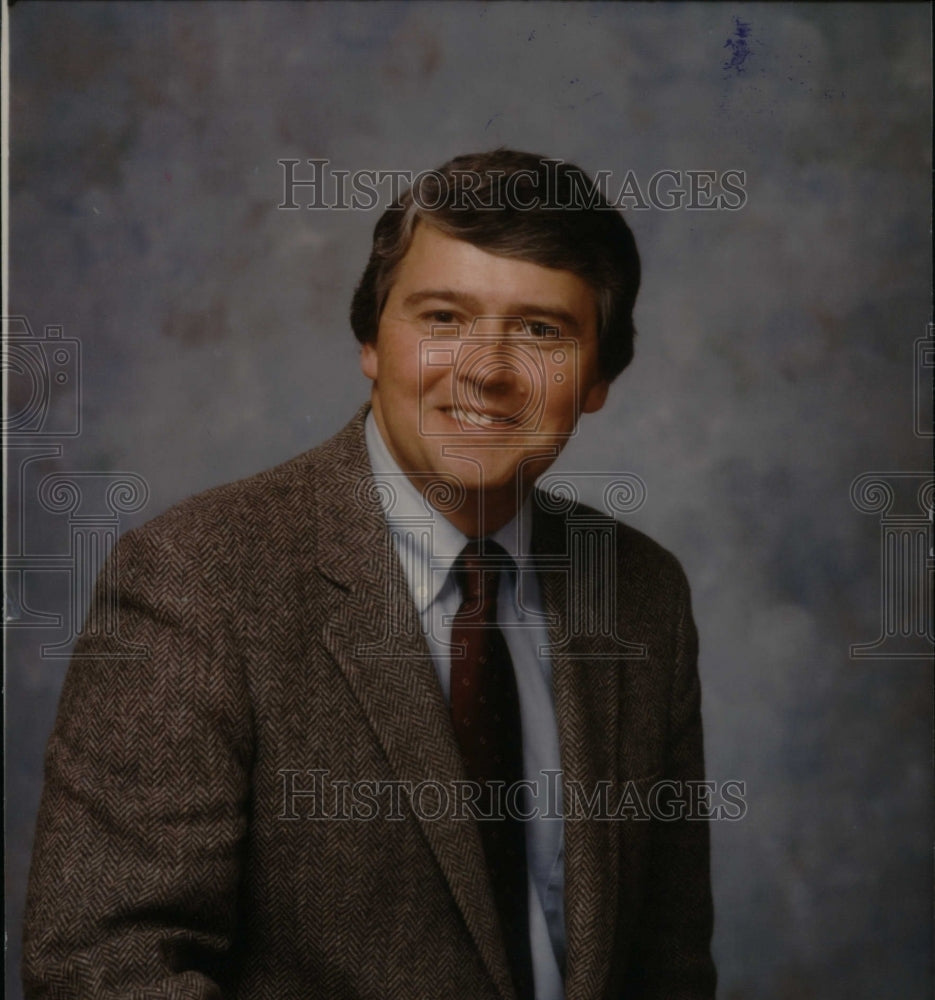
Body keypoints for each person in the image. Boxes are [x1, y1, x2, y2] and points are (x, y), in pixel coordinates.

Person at [23, 150, 717, 999]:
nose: (488, 371)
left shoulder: (641, 592)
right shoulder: (196, 580)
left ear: (599, 377)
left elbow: (668, 963)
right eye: (443, 317)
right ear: (370, 341)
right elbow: (102, 969)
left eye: (540, 330)